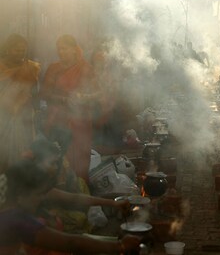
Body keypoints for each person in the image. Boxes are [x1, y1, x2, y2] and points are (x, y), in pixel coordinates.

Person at [0, 160, 140, 255]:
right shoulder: (16, 220)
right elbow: (72, 243)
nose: (42, 198)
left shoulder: (11, 207)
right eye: (39, 195)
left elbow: (75, 198)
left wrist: (114, 203)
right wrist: (119, 246)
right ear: (20, 194)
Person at [40, 34, 100, 182]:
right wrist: (63, 99)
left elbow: (97, 93)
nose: (61, 52)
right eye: (59, 49)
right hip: (57, 120)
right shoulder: (53, 68)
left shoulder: (85, 68)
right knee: (59, 157)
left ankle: (80, 191)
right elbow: (44, 93)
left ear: (74, 49)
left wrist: (84, 98)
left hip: (81, 120)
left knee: (80, 158)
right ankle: (61, 194)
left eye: (65, 49)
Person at [0, 34, 40, 173]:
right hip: (3, 115)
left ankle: (21, 177)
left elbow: (34, 90)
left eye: (23, 50)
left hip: (25, 115)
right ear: (8, 50)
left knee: (24, 147)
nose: (21, 53)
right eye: (17, 50)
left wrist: (37, 109)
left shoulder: (30, 67)